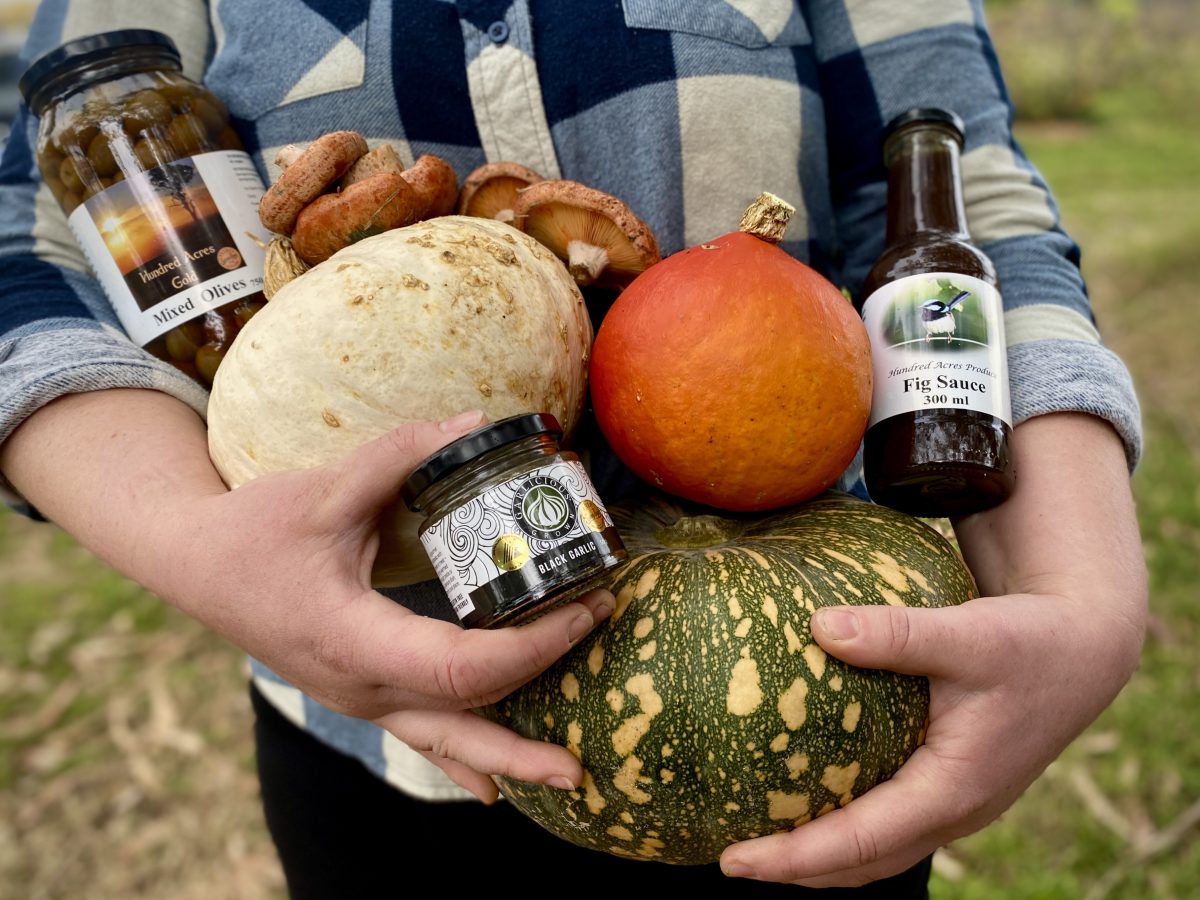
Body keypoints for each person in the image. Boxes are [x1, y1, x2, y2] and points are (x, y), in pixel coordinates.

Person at [0, 1, 1147, 896]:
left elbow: (959, 199)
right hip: (380, 732)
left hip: (808, 708)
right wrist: (196, 545)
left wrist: (1079, 586)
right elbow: (28, 255)